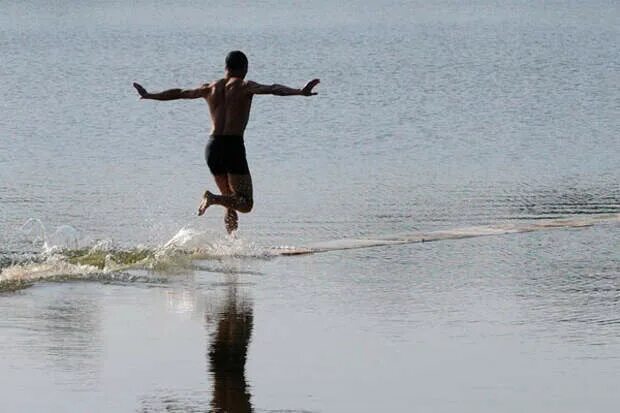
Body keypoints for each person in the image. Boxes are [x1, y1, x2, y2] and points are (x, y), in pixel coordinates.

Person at [133, 50, 320, 233]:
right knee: (245, 203)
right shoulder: (245, 85)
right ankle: (212, 199)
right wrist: (299, 91)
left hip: (212, 148)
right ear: (245, 68)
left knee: (229, 201)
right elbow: (273, 89)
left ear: (225, 67)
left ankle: (231, 247)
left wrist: (150, 95)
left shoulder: (210, 87)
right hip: (232, 146)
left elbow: (180, 92)